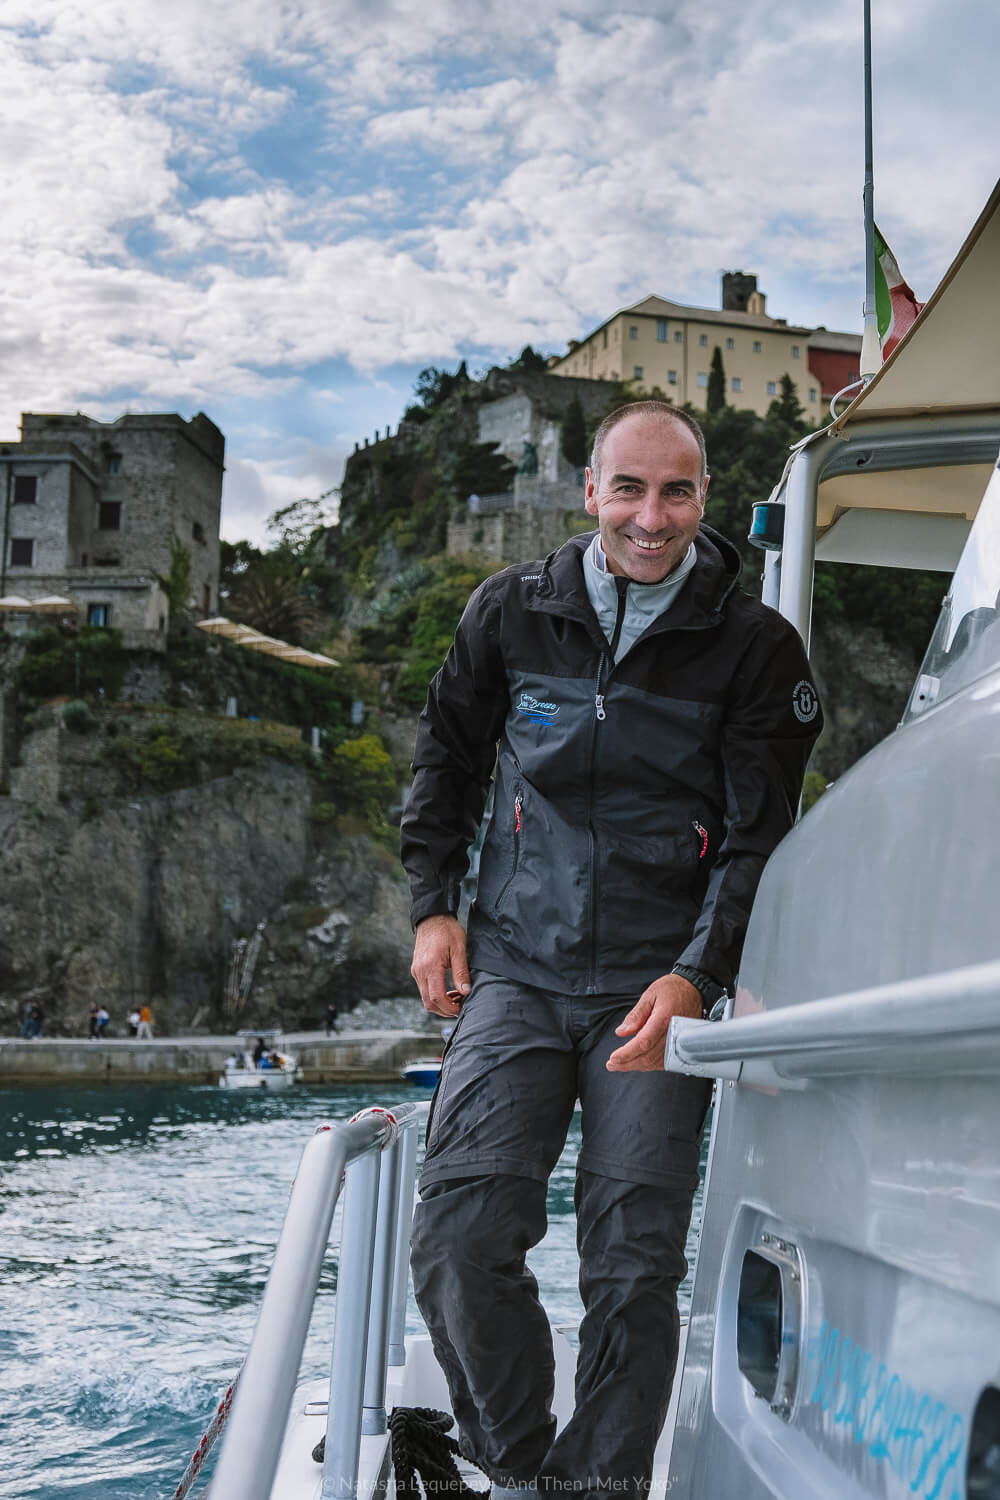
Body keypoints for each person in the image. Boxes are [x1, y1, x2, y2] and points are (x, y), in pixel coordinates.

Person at [400, 402, 823, 1500]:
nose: (650, 515)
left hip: (655, 986)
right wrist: (430, 906)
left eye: (675, 492)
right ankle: (518, 1465)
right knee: (455, 1241)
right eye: (628, 489)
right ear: (589, 491)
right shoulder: (510, 611)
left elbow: (754, 839)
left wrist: (696, 977)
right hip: (518, 971)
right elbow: (446, 759)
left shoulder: (754, 647)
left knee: (630, 1270)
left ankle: (595, 1492)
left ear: (702, 501)